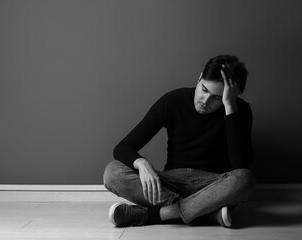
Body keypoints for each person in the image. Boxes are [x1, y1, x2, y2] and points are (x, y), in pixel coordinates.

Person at [103, 55, 256, 228]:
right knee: (112, 172)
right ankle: (207, 214)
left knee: (246, 179)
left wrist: (229, 106)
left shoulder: (239, 110)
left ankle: (156, 215)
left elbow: (241, 165)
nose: (205, 101)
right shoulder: (173, 101)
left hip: (212, 186)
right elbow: (122, 147)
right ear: (199, 78)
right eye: (204, 89)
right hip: (170, 184)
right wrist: (142, 164)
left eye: (217, 98)